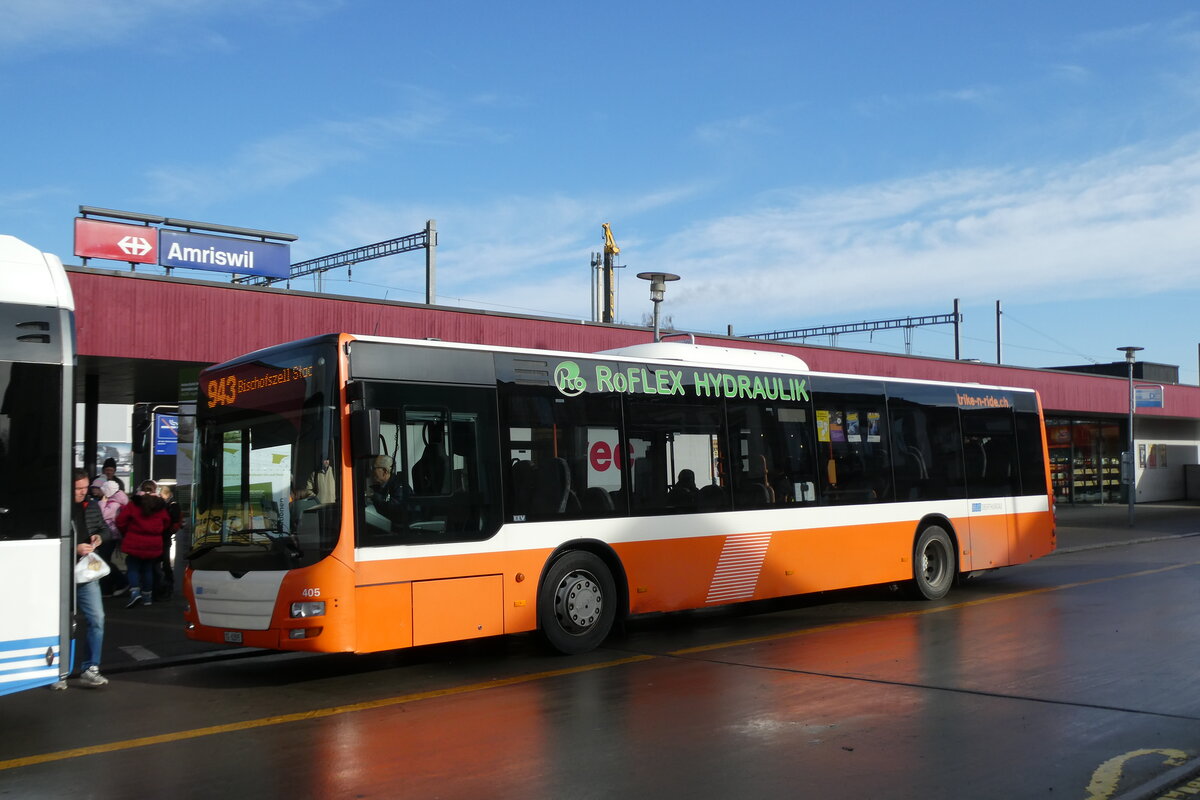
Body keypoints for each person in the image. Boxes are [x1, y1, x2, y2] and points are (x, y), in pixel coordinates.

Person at [55, 469, 110, 689]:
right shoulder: (59, 507)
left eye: (85, 488)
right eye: (78, 488)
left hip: (86, 573)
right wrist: (74, 548)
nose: (82, 492)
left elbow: (105, 530)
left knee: (97, 618)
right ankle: (58, 673)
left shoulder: (92, 505)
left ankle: (90, 668)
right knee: (62, 623)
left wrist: (99, 538)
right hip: (62, 573)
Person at [116, 480, 170, 608]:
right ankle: (147, 597)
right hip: (153, 543)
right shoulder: (159, 505)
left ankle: (135, 593)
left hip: (135, 541)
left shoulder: (134, 504)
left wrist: (126, 532)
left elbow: (121, 521)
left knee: (133, 566)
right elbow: (166, 522)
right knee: (147, 569)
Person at [97, 480, 130, 597]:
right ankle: (110, 587)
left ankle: (121, 582)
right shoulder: (116, 501)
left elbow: (103, 515)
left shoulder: (114, 503)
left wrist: (101, 503)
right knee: (104, 560)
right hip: (111, 535)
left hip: (110, 535)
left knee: (104, 560)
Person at [366, 454, 411, 525]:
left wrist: (375, 496)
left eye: (374, 468)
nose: (372, 471)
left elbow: (396, 509)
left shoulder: (400, 487)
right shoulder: (380, 486)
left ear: (385, 471)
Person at [156, 484, 182, 600]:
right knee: (164, 562)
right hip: (165, 536)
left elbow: (173, 519)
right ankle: (166, 585)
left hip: (164, 536)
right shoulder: (170, 505)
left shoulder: (171, 506)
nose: (160, 497)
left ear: (167, 495)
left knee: (164, 563)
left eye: (161, 495)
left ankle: (167, 586)